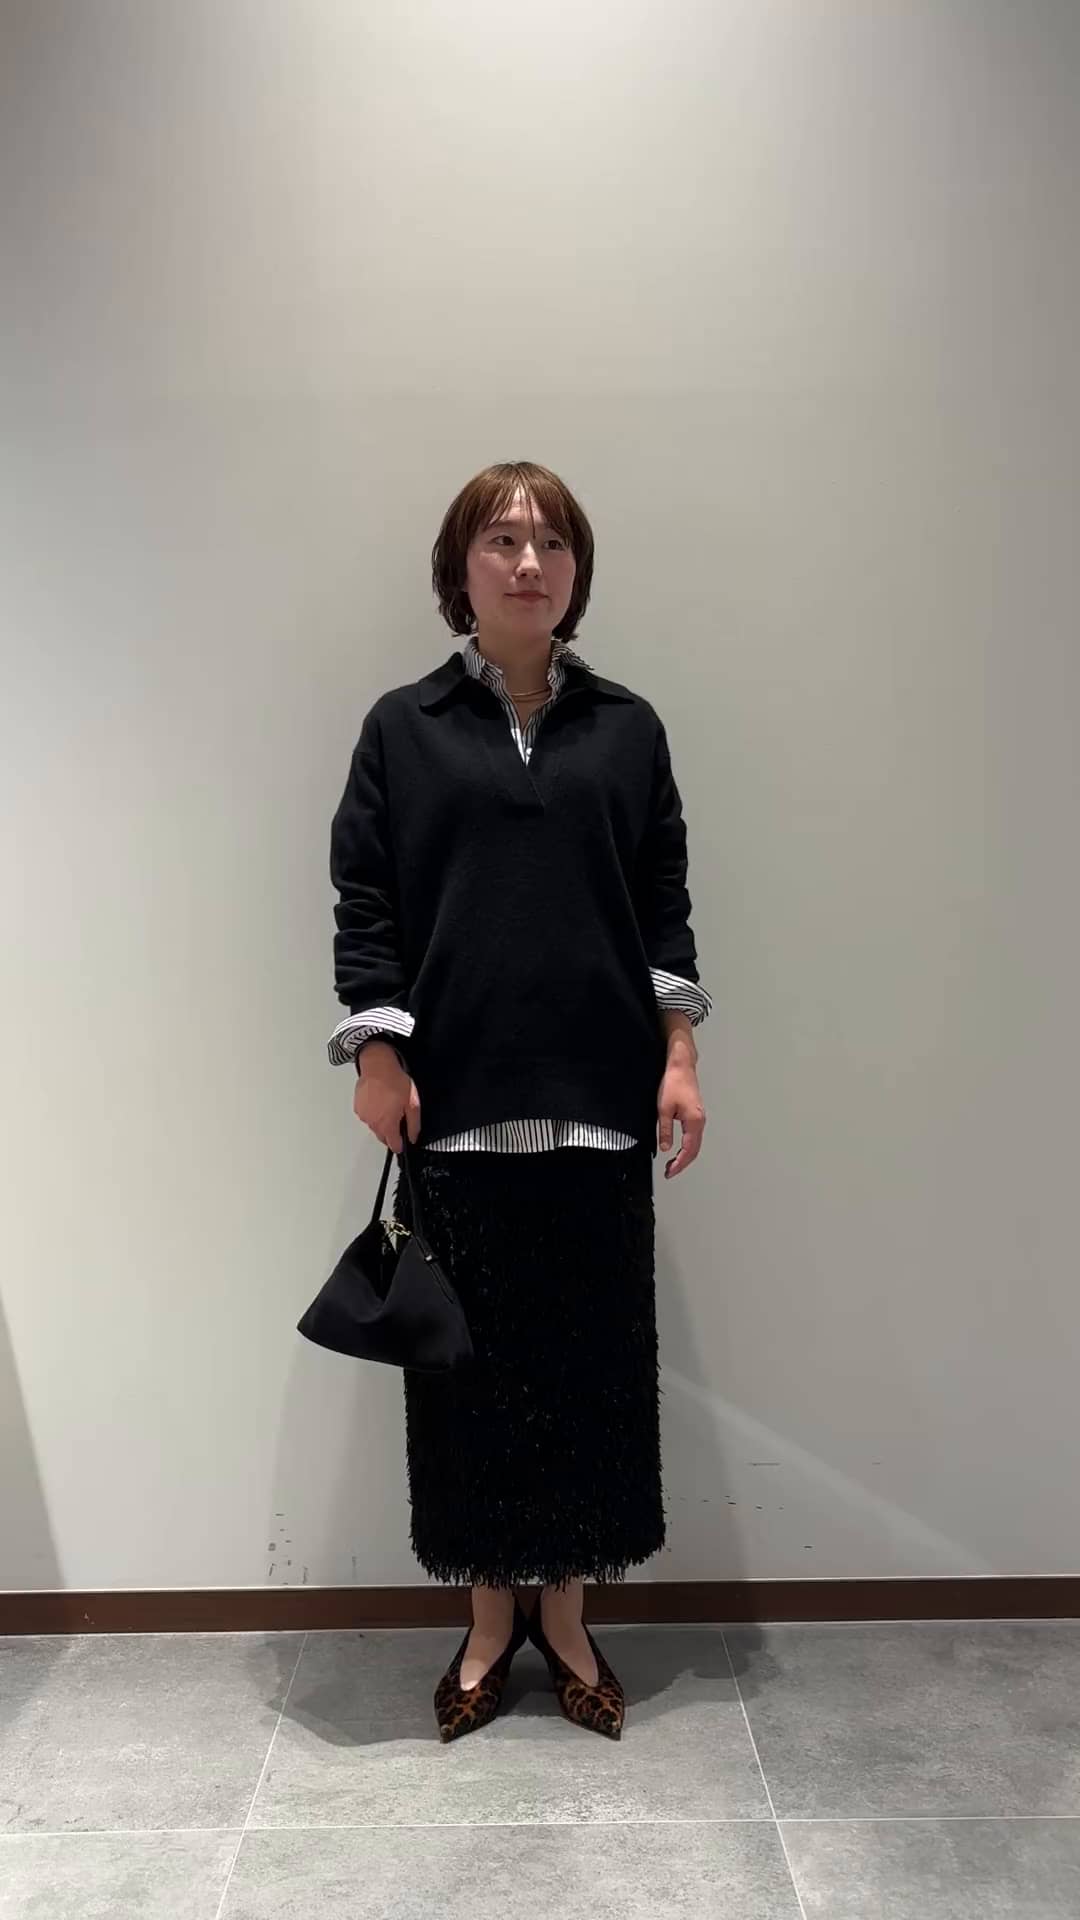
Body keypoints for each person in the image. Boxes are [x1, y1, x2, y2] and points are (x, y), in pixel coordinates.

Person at [326, 460, 709, 1742]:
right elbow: (366, 900)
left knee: (592, 1374)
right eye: (501, 540)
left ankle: (570, 1621)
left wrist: (679, 1053)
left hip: (600, 1103)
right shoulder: (404, 728)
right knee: (469, 1384)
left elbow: (664, 901)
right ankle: (490, 1624)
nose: (528, 562)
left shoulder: (629, 730)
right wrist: (377, 1057)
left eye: (551, 541)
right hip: (457, 1105)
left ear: (577, 570)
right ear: (462, 569)